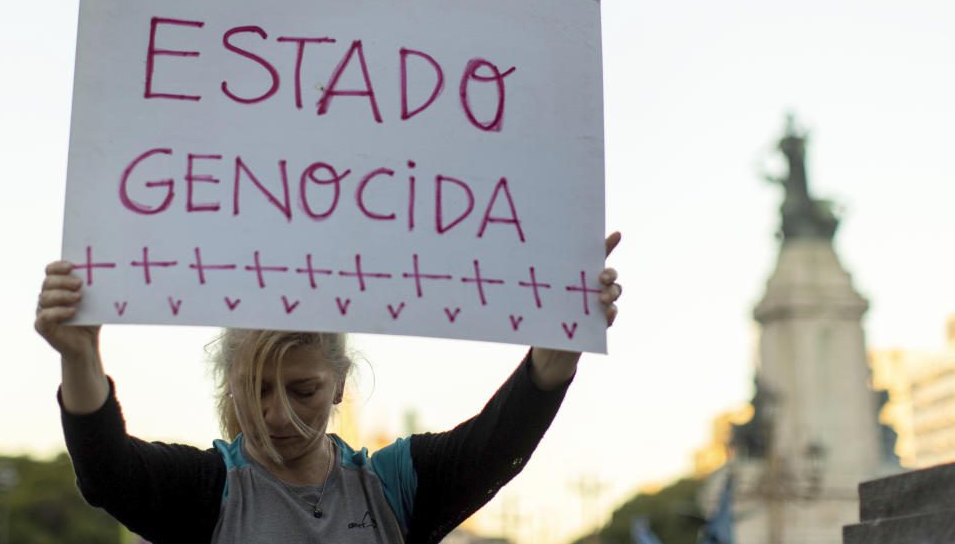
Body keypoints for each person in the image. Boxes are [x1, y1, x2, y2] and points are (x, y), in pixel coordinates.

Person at [35, 232, 623, 544]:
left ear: (340, 384)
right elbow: (107, 472)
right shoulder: (209, 491)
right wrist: (80, 357)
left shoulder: (395, 486)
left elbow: (496, 446)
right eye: (257, 390)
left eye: (304, 390)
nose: (277, 415)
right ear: (230, 388)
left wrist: (555, 348)